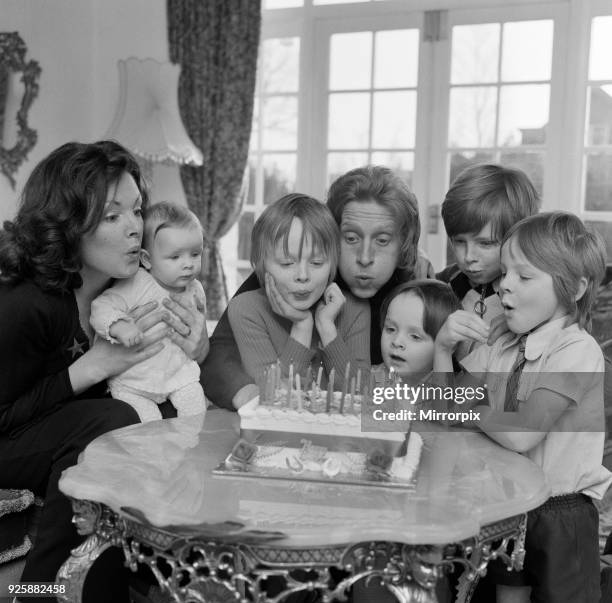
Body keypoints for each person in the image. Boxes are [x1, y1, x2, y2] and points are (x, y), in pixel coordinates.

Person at [0, 141, 207, 602]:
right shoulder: (23, 303)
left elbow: (168, 371)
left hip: (53, 427)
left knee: (158, 414)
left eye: (136, 210)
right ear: (68, 225)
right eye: (114, 217)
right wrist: (91, 367)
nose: (136, 228)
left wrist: (198, 346)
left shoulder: (130, 288)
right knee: (111, 423)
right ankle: (37, 593)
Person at [434, 212, 612, 603]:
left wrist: (466, 410)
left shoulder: (576, 350)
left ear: (575, 288)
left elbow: (521, 433)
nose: (503, 288)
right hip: (505, 505)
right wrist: (443, 349)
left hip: (560, 516)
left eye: (524, 277)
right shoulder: (502, 344)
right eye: (505, 274)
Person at [202, 165, 434, 410]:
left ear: (404, 246)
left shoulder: (413, 288)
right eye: (351, 238)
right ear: (330, 235)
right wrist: (247, 393)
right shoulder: (280, 281)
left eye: (383, 241)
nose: (365, 258)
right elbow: (220, 353)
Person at [227, 193, 369, 388]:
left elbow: (362, 396)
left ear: (332, 264)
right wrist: (302, 327)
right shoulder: (246, 309)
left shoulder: (355, 309)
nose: (303, 275)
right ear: (262, 264)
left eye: (317, 262)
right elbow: (272, 396)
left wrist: (327, 328)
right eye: (286, 263)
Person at [90, 202, 208, 422]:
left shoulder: (196, 289)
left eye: (195, 254)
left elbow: (198, 332)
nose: (188, 265)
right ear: (147, 259)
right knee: (148, 425)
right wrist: (118, 326)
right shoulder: (138, 283)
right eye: (175, 257)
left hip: (177, 374)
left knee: (196, 409)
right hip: (133, 381)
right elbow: (102, 306)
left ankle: (191, 447)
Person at [437, 164, 539, 325]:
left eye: (485, 243)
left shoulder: (535, 295)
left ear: (519, 238)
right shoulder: (444, 283)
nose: (469, 257)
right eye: (459, 241)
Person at [377, 280, 461, 383]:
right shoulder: (364, 377)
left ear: (449, 347)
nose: (397, 342)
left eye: (415, 337)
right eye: (390, 329)